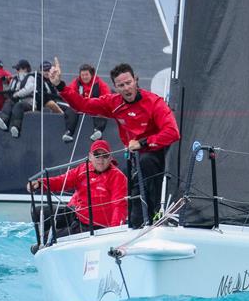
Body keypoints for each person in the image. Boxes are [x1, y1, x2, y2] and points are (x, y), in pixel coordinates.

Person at [49, 58, 180, 227]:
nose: (126, 88)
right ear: (116, 87)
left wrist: (143, 143)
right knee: (134, 216)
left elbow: (173, 132)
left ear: (136, 80)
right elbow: (83, 105)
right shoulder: (113, 103)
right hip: (134, 161)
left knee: (146, 162)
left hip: (156, 156)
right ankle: (135, 226)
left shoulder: (154, 102)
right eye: (121, 85)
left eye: (129, 83)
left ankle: (157, 214)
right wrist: (59, 85)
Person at [27, 139, 127, 244]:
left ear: (110, 157)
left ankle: (47, 240)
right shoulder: (82, 170)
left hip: (95, 228)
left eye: (105, 156)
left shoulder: (118, 177)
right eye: (97, 155)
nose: (101, 159)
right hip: (77, 216)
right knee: (37, 212)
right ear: (90, 157)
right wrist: (40, 183)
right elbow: (61, 181)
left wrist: (114, 233)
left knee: (49, 240)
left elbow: (119, 206)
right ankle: (44, 240)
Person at [61, 64, 111, 142]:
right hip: (80, 108)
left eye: (86, 75)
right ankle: (69, 132)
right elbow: (69, 93)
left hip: (94, 107)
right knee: (71, 110)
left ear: (91, 74)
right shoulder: (76, 83)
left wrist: (97, 103)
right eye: (82, 75)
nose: (84, 77)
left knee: (102, 110)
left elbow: (107, 96)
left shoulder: (99, 83)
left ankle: (98, 130)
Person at [0, 59, 35, 138]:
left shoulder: (31, 78)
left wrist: (16, 95)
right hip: (16, 101)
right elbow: (8, 92)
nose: (17, 71)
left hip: (28, 103)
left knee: (18, 106)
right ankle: (3, 120)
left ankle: (16, 127)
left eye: (18, 69)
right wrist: (4, 83)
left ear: (25, 69)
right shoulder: (14, 79)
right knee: (9, 102)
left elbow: (29, 89)